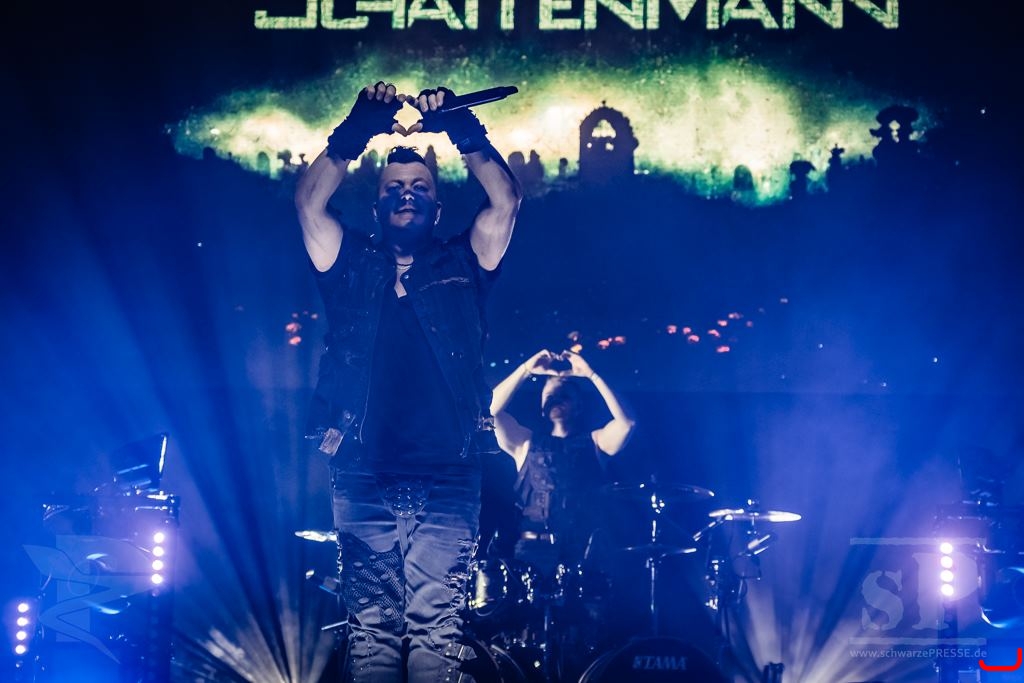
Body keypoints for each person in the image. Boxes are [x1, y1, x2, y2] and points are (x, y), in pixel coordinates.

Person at [295, 81, 522, 683]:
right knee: (371, 636)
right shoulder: (348, 263)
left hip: (449, 474)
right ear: (376, 208)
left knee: (435, 634)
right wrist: (357, 128)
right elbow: (309, 204)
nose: (406, 193)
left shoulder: (464, 263)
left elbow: (505, 201)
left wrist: (461, 127)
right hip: (362, 471)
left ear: (437, 209)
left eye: (420, 187)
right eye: (394, 187)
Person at [489, 350, 635, 574]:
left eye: (563, 395)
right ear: (542, 407)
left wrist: (592, 375)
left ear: (578, 406)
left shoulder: (596, 442)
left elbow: (627, 424)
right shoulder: (524, 443)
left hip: (583, 552)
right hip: (532, 551)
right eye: (549, 395)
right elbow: (491, 411)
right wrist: (525, 370)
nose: (556, 399)